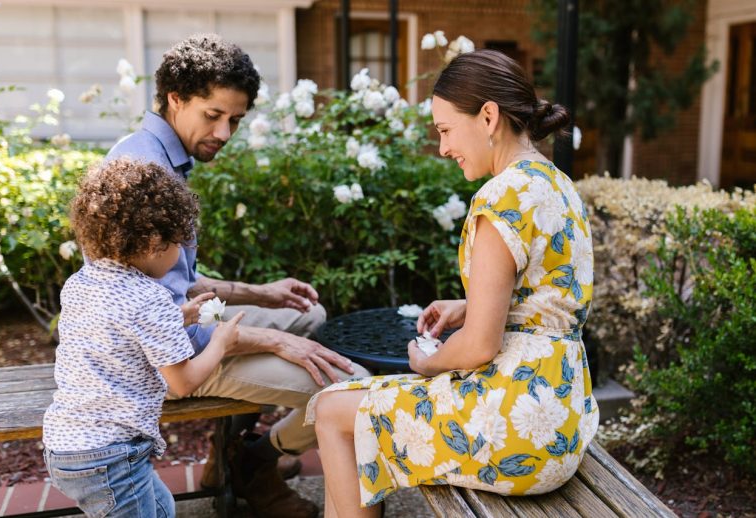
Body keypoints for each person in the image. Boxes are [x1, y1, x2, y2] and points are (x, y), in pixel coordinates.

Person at [307, 49, 601, 517]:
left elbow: (480, 346)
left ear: (488, 117)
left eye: (445, 130)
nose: (442, 147)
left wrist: (430, 362)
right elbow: (547, 297)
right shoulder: (557, 184)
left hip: (513, 428)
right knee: (351, 409)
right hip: (563, 418)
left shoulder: (499, 197)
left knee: (332, 410)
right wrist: (468, 305)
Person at [105, 33, 367, 517]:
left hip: (179, 327)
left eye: (236, 120)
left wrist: (261, 295)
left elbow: (179, 283)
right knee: (349, 387)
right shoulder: (143, 168)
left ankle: (230, 459)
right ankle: (257, 460)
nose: (225, 134)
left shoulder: (159, 154)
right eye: (214, 116)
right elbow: (161, 323)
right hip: (165, 360)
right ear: (175, 98)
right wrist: (272, 343)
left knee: (308, 315)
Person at [43, 159, 245, 517]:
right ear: (154, 244)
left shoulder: (80, 283)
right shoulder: (149, 299)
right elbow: (182, 383)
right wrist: (220, 343)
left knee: (162, 507)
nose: (181, 254)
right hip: (112, 457)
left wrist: (177, 318)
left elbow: (116, 331)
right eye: (178, 245)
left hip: (67, 445)